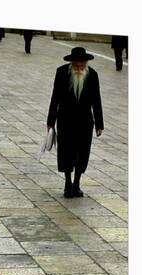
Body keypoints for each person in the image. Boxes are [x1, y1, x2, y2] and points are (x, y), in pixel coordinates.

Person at [46, 47, 104, 198]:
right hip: (65, 119)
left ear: (86, 63)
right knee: (66, 152)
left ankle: (77, 183)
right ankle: (67, 183)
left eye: (82, 65)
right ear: (71, 63)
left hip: (85, 121)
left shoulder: (92, 75)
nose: (79, 68)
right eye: (76, 65)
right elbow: (55, 98)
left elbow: (96, 100)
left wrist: (99, 124)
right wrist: (50, 121)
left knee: (82, 153)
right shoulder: (61, 73)